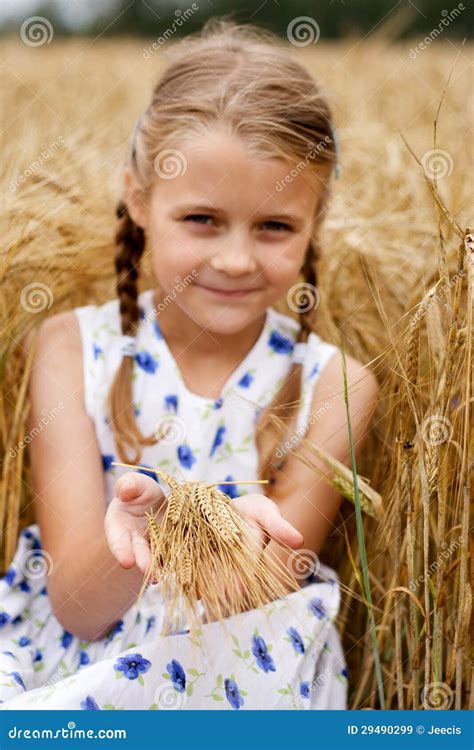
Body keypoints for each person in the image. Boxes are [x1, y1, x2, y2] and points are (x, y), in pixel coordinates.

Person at [0, 20, 379, 710]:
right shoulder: (69, 348)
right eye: (202, 219)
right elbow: (80, 609)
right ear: (140, 200)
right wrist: (145, 531)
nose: (235, 259)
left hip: (240, 672)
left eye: (274, 226)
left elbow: (251, 596)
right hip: (77, 666)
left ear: (315, 221)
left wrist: (191, 521)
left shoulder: (339, 387)